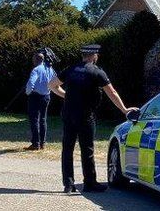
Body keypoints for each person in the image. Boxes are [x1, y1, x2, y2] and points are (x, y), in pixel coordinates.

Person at [49, 44, 136, 193]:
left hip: (68, 114)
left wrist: (66, 96)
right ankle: (89, 182)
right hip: (85, 116)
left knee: (67, 149)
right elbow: (112, 92)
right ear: (94, 56)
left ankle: (68, 184)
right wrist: (124, 109)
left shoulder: (70, 69)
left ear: (83, 56)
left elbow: (52, 85)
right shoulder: (96, 72)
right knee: (87, 149)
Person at [24, 51, 55, 151]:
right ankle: (42, 143)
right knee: (43, 119)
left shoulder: (36, 70)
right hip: (46, 96)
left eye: (33, 59)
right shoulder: (50, 69)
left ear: (36, 59)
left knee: (34, 120)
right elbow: (55, 80)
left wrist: (28, 92)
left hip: (35, 96)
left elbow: (30, 83)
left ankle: (35, 143)